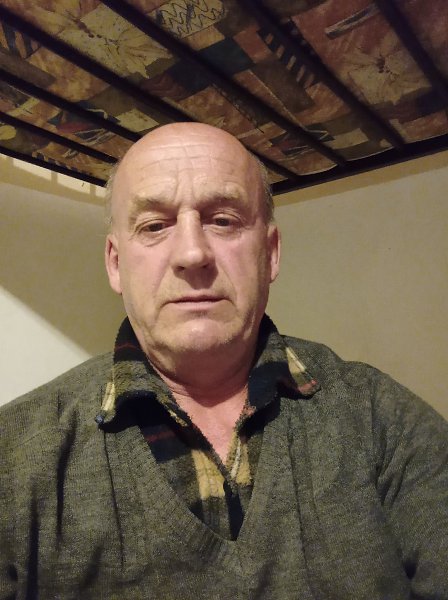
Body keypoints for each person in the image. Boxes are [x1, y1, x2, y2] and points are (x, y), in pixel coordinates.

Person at [0, 122, 447, 600]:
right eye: (154, 226)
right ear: (115, 263)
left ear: (270, 254)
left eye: (224, 220)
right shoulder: (14, 457)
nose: (193, 253)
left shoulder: (386, 423)